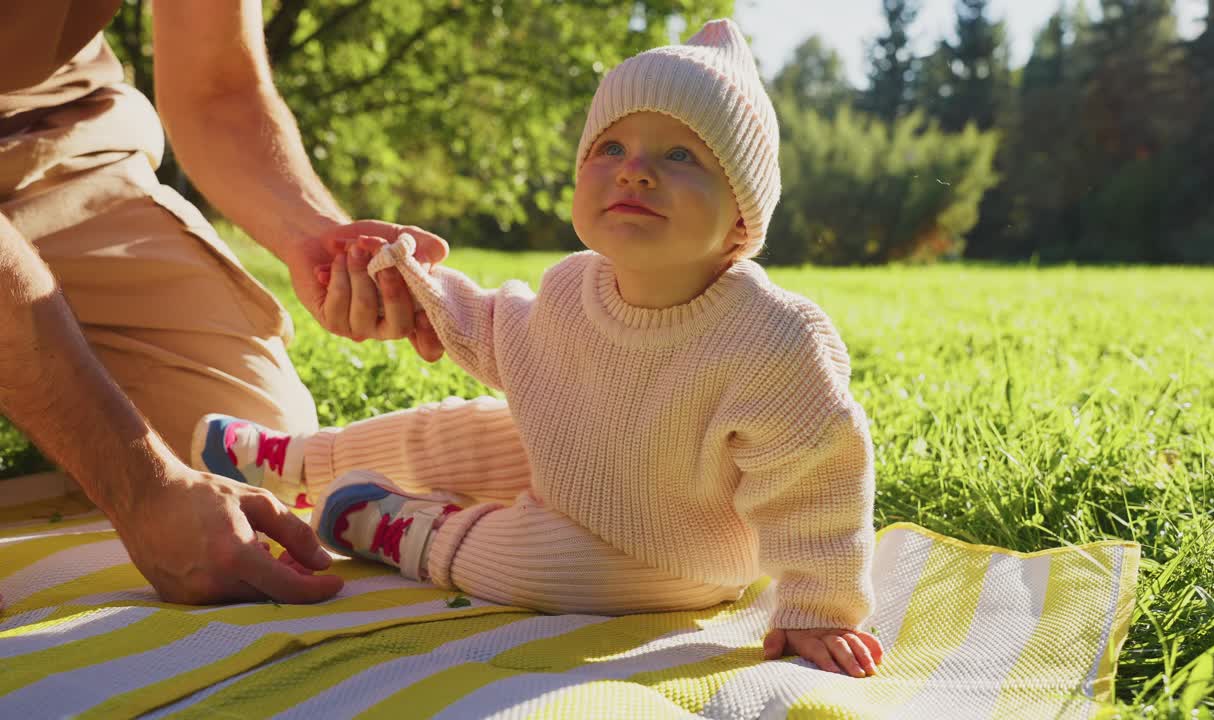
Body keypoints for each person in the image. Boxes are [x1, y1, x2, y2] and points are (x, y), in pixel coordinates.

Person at [194, 19, 883, 677]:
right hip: (575, 461)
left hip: (668, 549)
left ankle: (404, 529)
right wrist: (418, 286)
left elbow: (815, 481)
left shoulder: (772, 340)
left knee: (554, 564)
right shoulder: (573, 286)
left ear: (742, 216)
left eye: (680, 155)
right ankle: (301, 460)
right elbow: (500, 328)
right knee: (457, 431)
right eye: (611, 148)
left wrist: (819, 608)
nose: (635, 170)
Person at [0, 1, 446, 605]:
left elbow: (221, 87)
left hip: (61, 146)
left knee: (255, 451)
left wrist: (311, 235)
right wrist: (142, 488)